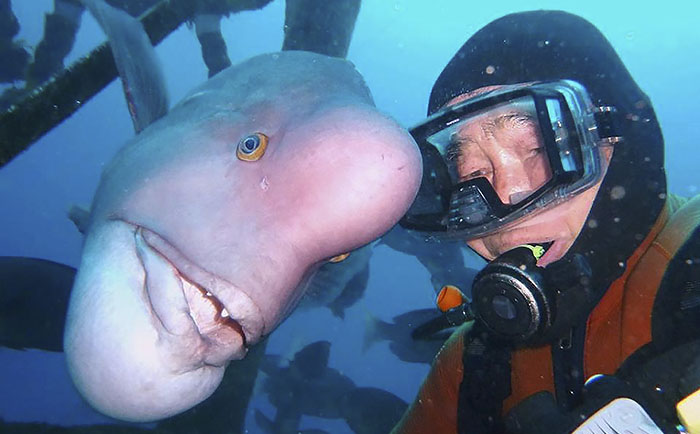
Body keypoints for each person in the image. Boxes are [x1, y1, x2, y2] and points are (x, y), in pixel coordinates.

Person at [395, 10, 700, 434]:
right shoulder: (470, 366)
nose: (509, 199)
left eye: (542, 149)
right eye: (472, 175)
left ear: (626, 138)